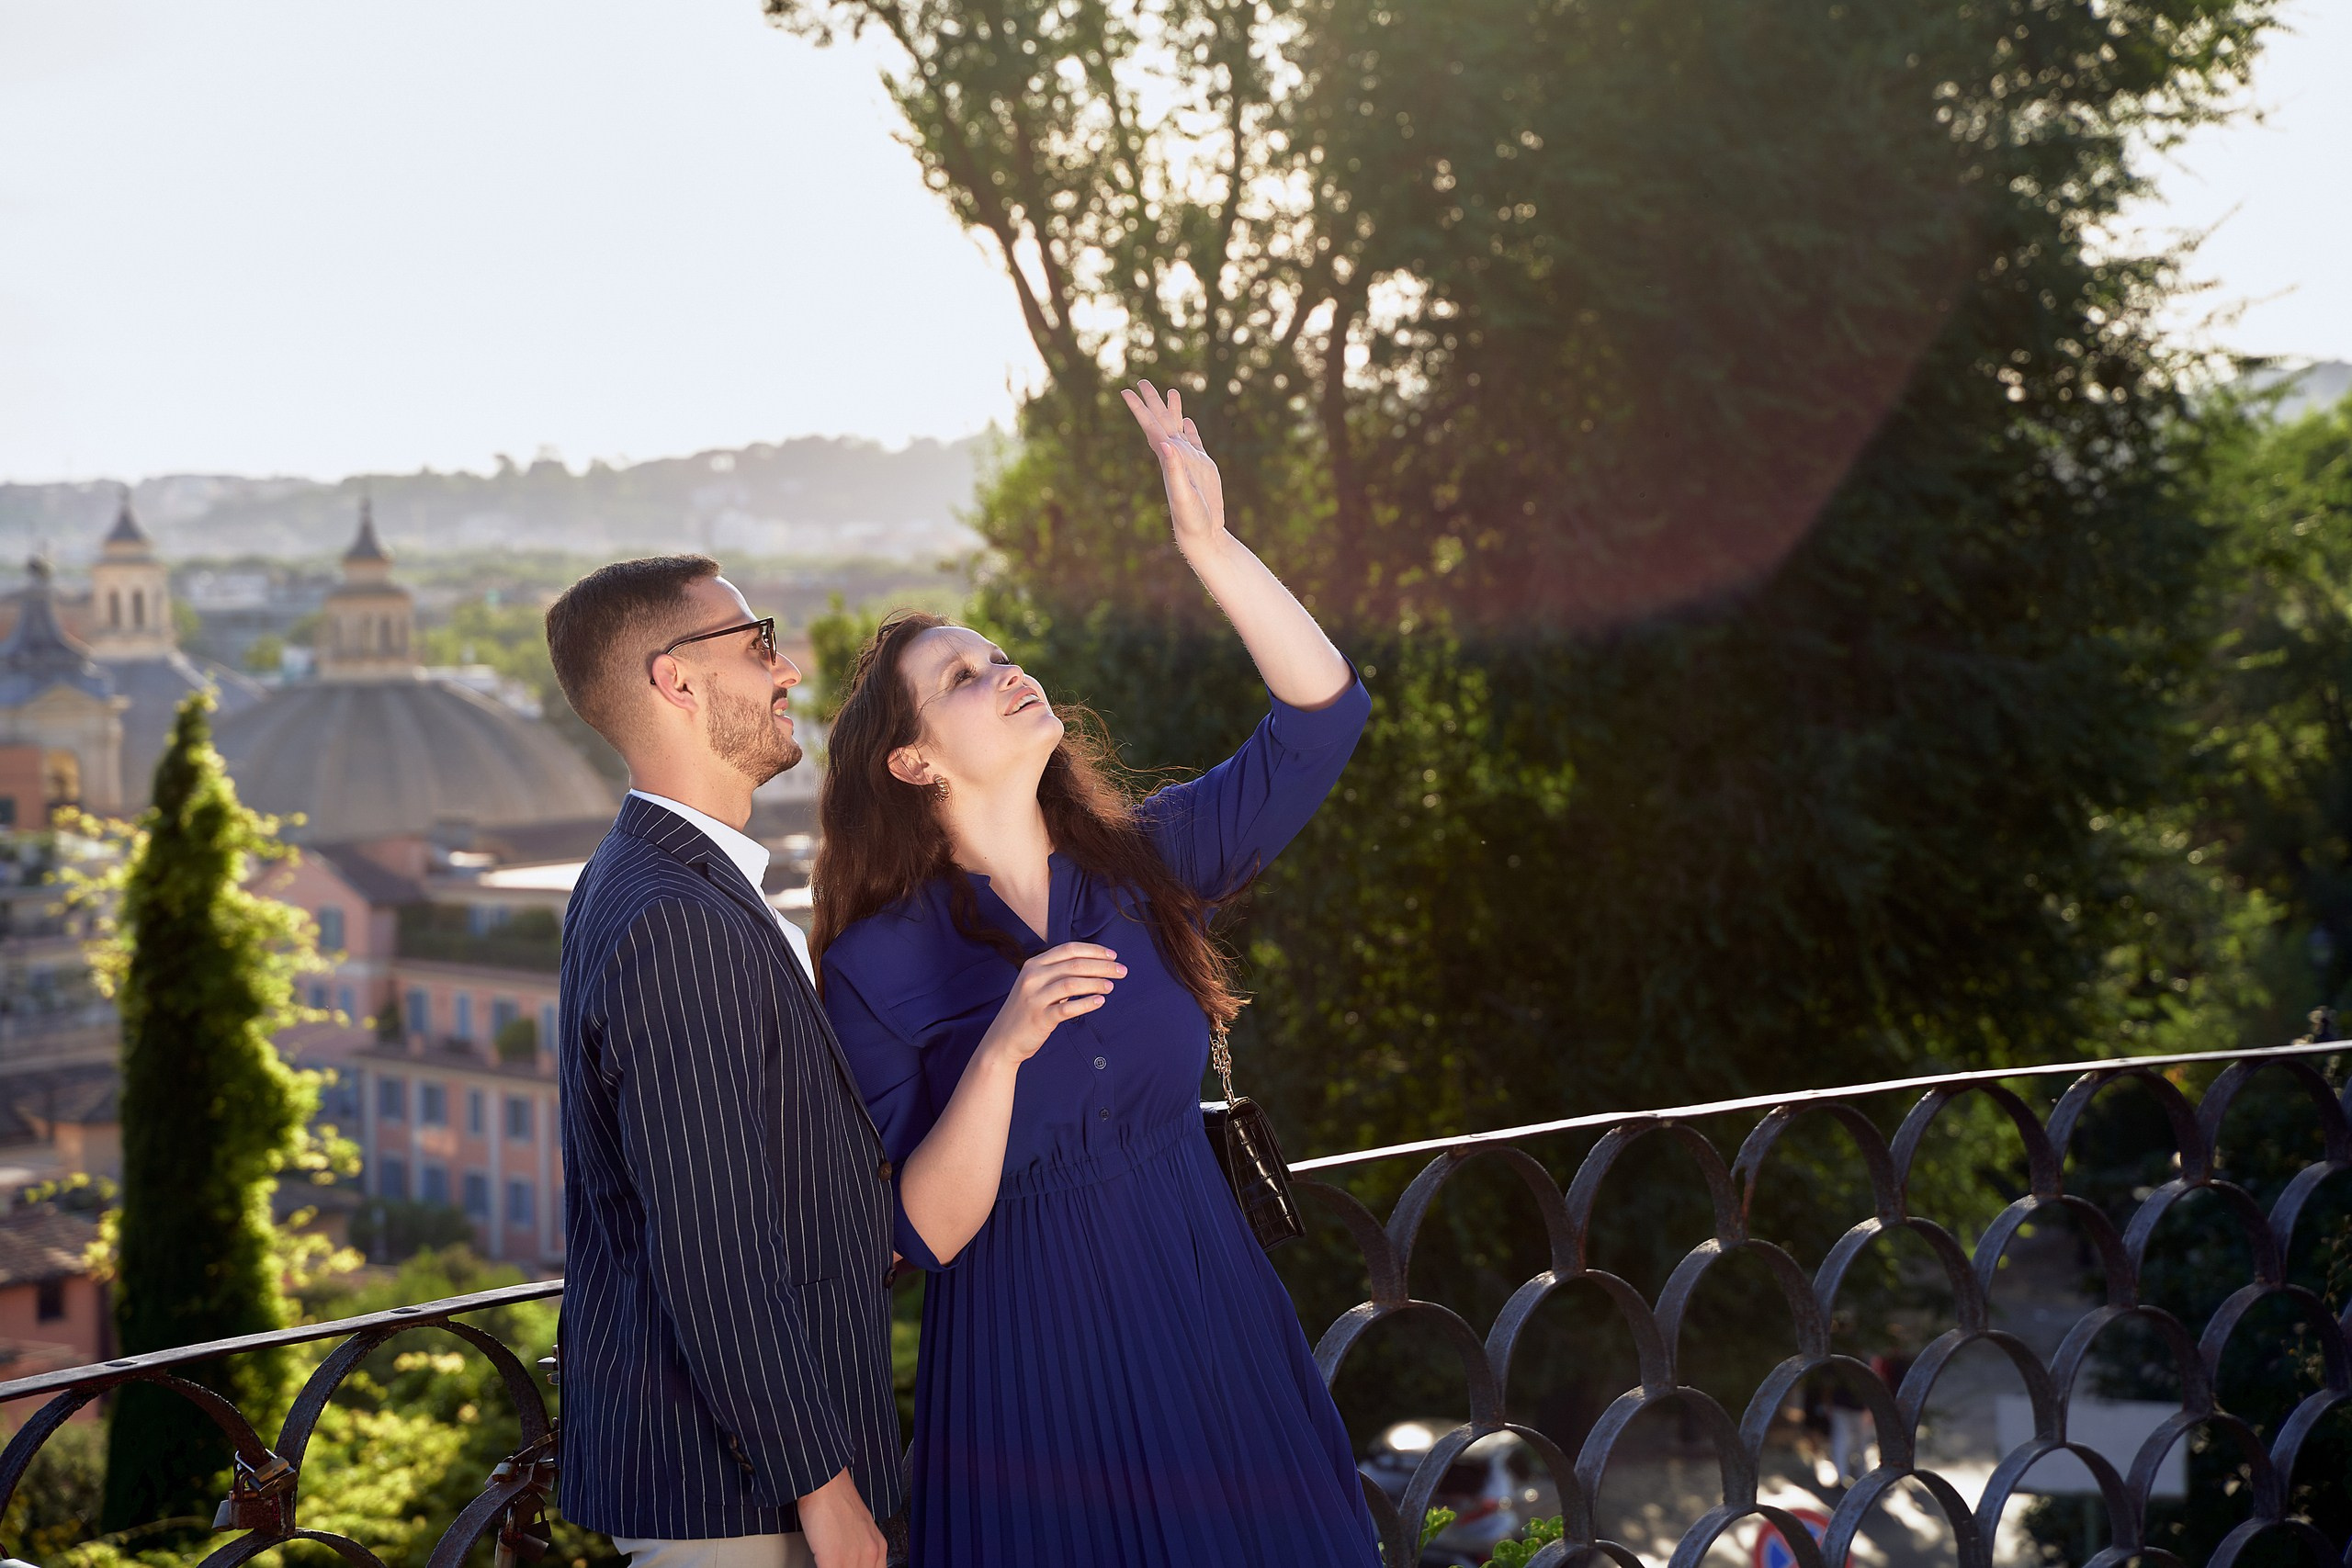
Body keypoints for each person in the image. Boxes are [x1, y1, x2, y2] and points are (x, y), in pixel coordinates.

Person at [812, 381, 1379, 1564]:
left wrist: (1209, 546)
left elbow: (1322, 716)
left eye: (1001, 655)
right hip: (1031, 1377)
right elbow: (919, 1234)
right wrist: (1003, 1047)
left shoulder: (1149, 861)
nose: (1007, 673)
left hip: (1211, 1316)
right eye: (963, 678)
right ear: (911, 761)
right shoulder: (877, 962)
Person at [544, 558, 900, 1568]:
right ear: (677, 681)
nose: (787, 671)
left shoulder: (653, 880)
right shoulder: (676, 917)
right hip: (737, 1500)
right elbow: (711, 1241)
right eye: (758, 646)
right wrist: (826, 1493)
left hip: (743, 1483)